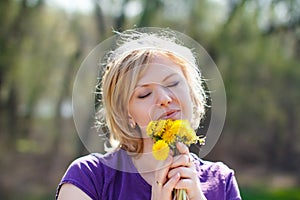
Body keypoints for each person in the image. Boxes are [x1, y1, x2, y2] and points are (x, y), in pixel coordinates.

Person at [56, 28, 241, 200]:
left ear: (191, 94)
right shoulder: (88, 178)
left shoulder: (222, 182)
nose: (165, 98)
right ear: (126, 114)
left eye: (173, 84)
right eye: (144, 94)